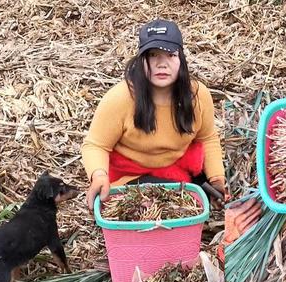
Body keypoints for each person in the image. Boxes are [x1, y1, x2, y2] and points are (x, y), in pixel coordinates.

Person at [81, 19, 226, 207]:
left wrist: (216, 179)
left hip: (176, 166)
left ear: (181, 59)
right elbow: (95, 145)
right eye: (153, 55)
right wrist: (99, 175)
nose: (162, 64)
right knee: (157, 205)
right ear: (141, 60)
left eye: (170, 55)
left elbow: (207, 138)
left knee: (205, 201)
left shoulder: (198, 95)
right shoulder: (120, 98)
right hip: (131, 174)